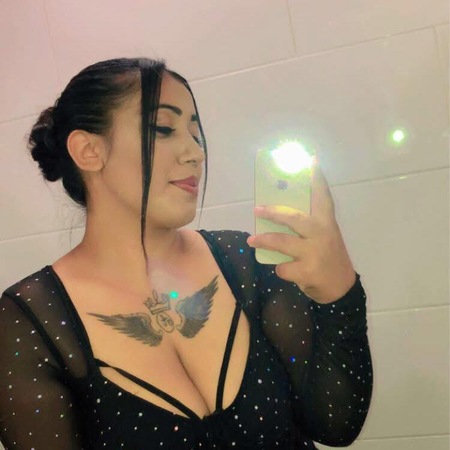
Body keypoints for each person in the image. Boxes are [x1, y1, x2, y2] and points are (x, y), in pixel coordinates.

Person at [0, 58, 373, 449]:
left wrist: (339, 292)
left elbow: (335, 423)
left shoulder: (245, 260)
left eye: (195, 135)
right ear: (89, 150)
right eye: (163, 129)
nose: (196, 154)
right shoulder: (31, 322)